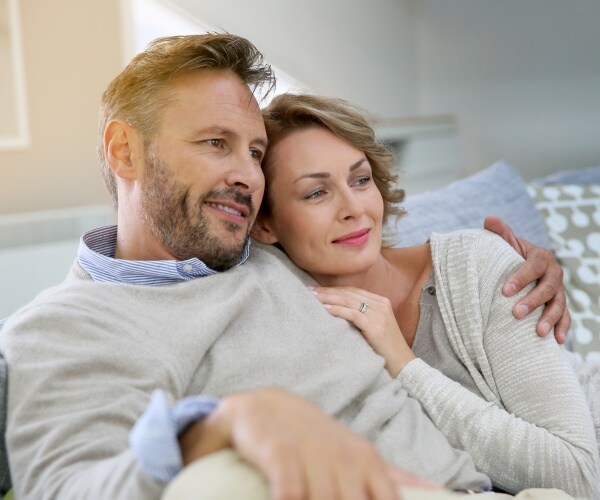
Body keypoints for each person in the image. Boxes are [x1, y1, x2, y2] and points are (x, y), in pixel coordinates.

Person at [0, 34, 570, 500]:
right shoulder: (64, 327)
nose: (249, 175)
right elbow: (68, 486)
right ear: (124, 151)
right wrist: (213, 428)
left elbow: (371, 232)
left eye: (253, 152)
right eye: (215, 142)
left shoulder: (270, 253)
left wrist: (522, 261)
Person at [250, 92, 600, 497]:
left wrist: (405, 364)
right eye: (316, 193)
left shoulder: (476, 265)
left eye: (361, 180)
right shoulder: (288, 312)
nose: (354, 209)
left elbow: (579, 476)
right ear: (264, 226)